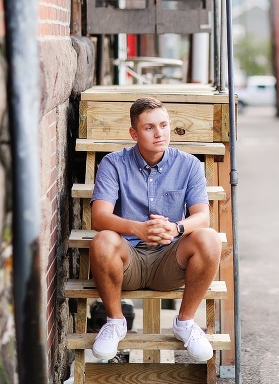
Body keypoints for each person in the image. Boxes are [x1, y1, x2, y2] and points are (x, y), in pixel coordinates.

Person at [89, 97, 222, 362]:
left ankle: (185, 322)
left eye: (163, 125)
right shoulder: (113, 163)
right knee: (103, 240)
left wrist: (175, 228)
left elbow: (202, 217)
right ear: (134, 133)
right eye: (149, 127)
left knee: (209, 238)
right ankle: (115, 322)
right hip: (127, 263)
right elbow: (99, 217)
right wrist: (137, 229)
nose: (159, 133)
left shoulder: (189, 165)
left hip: (169, 262)